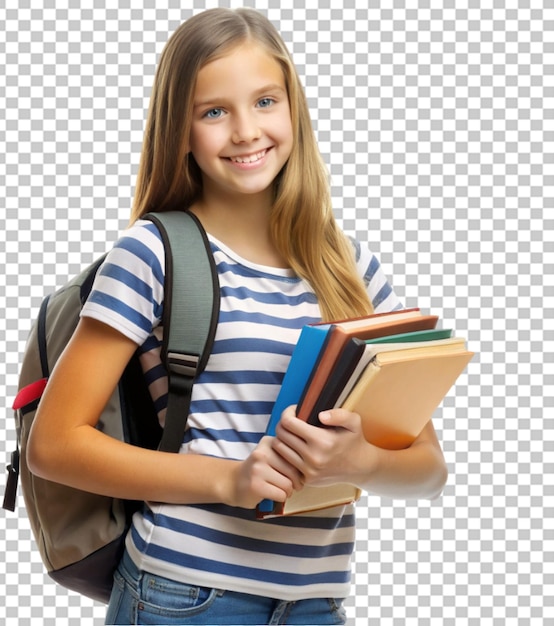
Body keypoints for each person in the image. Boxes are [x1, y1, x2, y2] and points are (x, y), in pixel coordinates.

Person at [27, 7, 448, 625]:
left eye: (266, 101)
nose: (247, 131)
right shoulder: (154, 252)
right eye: (214, 111)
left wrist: (365, 463)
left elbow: (430, 471)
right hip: (183, 595)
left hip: (316, 603)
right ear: (182, 130)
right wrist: (229, 481)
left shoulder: (352, 268)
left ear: (293, 108)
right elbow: (55, 445)